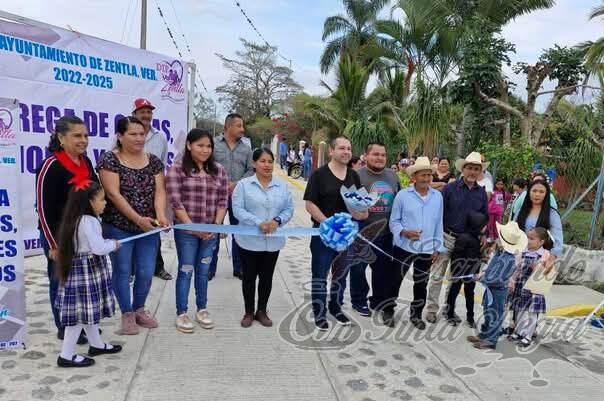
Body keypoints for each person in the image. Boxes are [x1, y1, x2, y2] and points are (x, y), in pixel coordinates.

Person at [98, 116, 168, 335]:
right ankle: (127, 313)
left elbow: (160, 191)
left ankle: (139, 309)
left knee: (146, 271)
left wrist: (160, 215)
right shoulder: (109, 160)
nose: (139, 138)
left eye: (142, 134)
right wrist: (138, 219)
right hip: (118, 227)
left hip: (149, 228)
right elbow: (113, 194)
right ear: (120, 136)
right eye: (133, 134)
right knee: (122, 270)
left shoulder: (154, 161)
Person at [36, 115, 98, 344]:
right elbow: (43, 208)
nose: (83, 140)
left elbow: (91, 198)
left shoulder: (86, 162)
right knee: (61, 281)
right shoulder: (50, 165)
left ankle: (82, 325)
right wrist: (53, 244)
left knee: (81, 281)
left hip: (82, 234)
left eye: (85, 135)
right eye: (77, 136)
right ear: (61, 138)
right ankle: (64, 326)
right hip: (58, 235)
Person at [166, 129, 228, 333]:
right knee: (186, 270)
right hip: (187, 232)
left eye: (208, 146)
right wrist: (193, 228)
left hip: (210, 233)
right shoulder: (177, 169)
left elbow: (222, 200)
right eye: (200, 145)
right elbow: (176, 202)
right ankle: (181, 312)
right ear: (189, 145)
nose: (205, 150)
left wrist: (216, 226)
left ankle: (202, 308)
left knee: (203, 272)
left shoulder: (218, 170)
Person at [54, 182, 122, 367]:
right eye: (101, 199)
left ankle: (96, 345)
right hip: (86, 272)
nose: (105, 203)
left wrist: (105, 242)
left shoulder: (75, 218)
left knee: (87, 311)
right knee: (78, 316)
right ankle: (66, 356)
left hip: (80, 269)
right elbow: (99, 248)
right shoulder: (88, 221)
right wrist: (113, 245)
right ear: (89, 202)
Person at [304, 136, 367, 331]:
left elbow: (358, 205)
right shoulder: (319, 175)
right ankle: (319, 312)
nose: (346, 151)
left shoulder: (353, 176)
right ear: (331, 151)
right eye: (341, 148)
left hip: (346, 236)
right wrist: (328, 223)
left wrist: (362, 211)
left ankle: (336, 307)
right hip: (323, 234)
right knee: (320, 275)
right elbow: (310, 204)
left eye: (349, 148)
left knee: (341, 275)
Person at [232, 148, 294, 327]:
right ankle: (249, 312)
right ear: (254, 164)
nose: (267, 165)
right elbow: (238, 210)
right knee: (249, 277)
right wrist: (258, 222)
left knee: (267, 278)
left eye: (270, 161)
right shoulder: (243, 185)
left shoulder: (282, 186)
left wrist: (277, 221)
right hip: (249, 241)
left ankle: (262, 310)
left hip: (273, 241)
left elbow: (289, 208)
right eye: (262, 161)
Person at [425, 151, 488, 324]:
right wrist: (434, 240)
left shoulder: (481, 193)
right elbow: (438, 214)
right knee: (437, 276)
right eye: (469, 168)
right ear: (463, 169)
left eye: (476, 169)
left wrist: (483, 234)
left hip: (467, 242)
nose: (472, 172)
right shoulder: (450, 189)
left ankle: (448, 309)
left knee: (456, 278)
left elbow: (484, 216)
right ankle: (431, 309)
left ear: (480, 171)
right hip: (446, 237)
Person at [338, 142, 400, 319]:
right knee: (358, 268)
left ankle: (378, 301)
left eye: (383, 154)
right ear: (366, 156)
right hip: (362, 231)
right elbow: (347, 203)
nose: (380, 158)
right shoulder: (356, 176)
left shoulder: (392, 176)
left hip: (386, 232)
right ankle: (359, 301)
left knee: (383, 270)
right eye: (375, 154)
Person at [390, 157, 444, 330]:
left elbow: (439, 223)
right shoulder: (402, 196)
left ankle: (416, 314)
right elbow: (394, 221)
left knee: (421, 284)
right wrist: (404, 232)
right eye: (423, 175)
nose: (427, 178)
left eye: (429, 175)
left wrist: (437, 247)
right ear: (414, 176)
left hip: (427, 248)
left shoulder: (437, 197)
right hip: (404, 246)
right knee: (395, 279)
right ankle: (388, 310)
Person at [467, 221, 527, 350]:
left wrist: (482, 279)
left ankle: (491, 339)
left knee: (495, 314)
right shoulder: (501, 253)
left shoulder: (508, 259)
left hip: (498, 290)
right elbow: (491, 269)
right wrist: (484, 273)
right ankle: (484, 335)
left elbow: (498, 278)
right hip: (491, 289)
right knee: (488, 312)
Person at [209, 113, 254, 280]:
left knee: (239, 232)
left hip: (238, 196)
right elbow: (205, 165)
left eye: (243, 126)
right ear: (228, 126)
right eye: (239, 126)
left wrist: (236, 184)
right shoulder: (212, 144)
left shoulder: (246, 149)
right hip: (215, 196)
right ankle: (209, 268)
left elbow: (251, 170)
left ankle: (239, 267)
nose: (242, 129)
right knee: (214, 230)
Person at [132, 98, 172, 281]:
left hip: (152, 192)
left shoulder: (160, 137)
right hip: (130, 191)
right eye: (142, 112)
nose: (146, 115)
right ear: (135, 114)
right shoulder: (126, 134)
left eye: (149, 112)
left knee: (154, 230)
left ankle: (158, 267)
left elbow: (161, 166)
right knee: (132, 229)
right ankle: (132, 270)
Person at [506, 227, 554, 345]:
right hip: (521, 285)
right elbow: (516, 268)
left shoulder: (545, 254)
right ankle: (519, 332)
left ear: (541, 242)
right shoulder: (523, 251)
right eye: (528, 237)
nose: (528, 240)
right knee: (520, 310)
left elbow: (548, 269)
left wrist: (540, 267)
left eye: (532, 238)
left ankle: (528, 335)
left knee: (532, 314)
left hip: (535, 288)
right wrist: (512, 280)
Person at [445, 211, 487, 328]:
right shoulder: (463, 238)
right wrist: (456, 272)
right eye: (484, 225)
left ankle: (470, 317)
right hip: (460, 273)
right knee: (453, 292)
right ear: (476, 225)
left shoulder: (477, 239)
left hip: (471, 273)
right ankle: (449, 314)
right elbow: (456, 256)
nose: (486, 228)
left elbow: (477, 257)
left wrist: (476, 271)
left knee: (470, 294)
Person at [514, 179, 563, 258]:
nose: (537, 194)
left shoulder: (552, 214)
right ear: (529, 192)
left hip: (540, 257)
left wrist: (552, 257)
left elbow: (557, 239)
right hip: (519, 254)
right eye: (534, 191)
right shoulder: (520, 211)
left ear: (546, 194)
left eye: (541, 192)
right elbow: (513, 232)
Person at [487, 178, 512, 242]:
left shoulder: (504, 193)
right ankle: (491, 236)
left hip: (499, 212)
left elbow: (510, 198)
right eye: (498, 184)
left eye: (501, 184)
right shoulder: (492, 192)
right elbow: (488, 199)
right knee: (490, 224)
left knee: (497, 225)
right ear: (495, 184)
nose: (500, 186)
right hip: (491, 211)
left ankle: (496, 237)